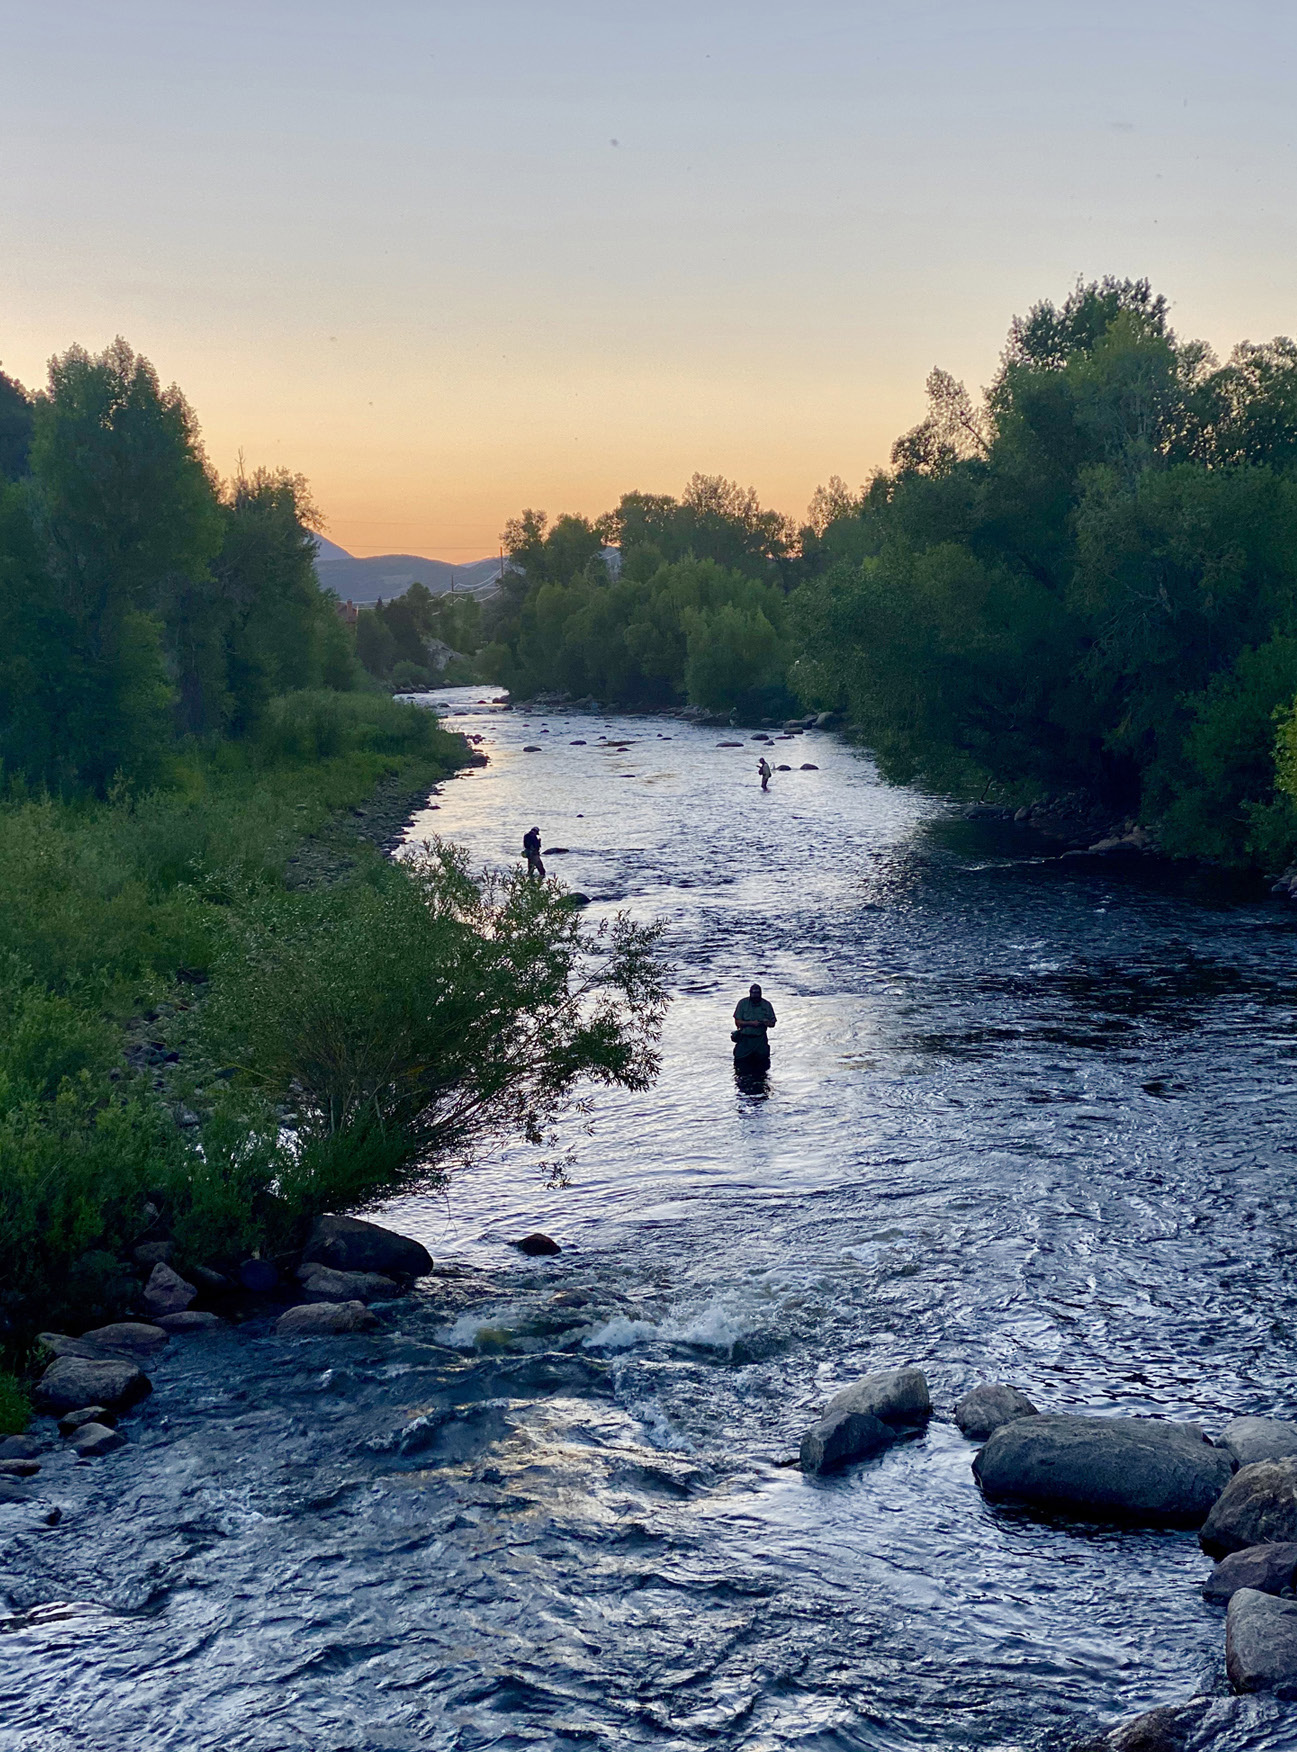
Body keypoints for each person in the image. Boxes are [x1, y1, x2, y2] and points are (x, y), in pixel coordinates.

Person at [732, 983, 776, 1063]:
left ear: (761, 993)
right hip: (744, 1040)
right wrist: (751, 1023)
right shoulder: (742, 1003)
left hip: (760, 1041)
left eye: (757, 993)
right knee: (740, 1062)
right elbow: (737, 1022)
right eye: (753, 993)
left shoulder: (767, 1005)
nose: (755, 995)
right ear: (750, 993)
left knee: (763, 1063)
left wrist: (767, 1022)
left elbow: (773, 1024)